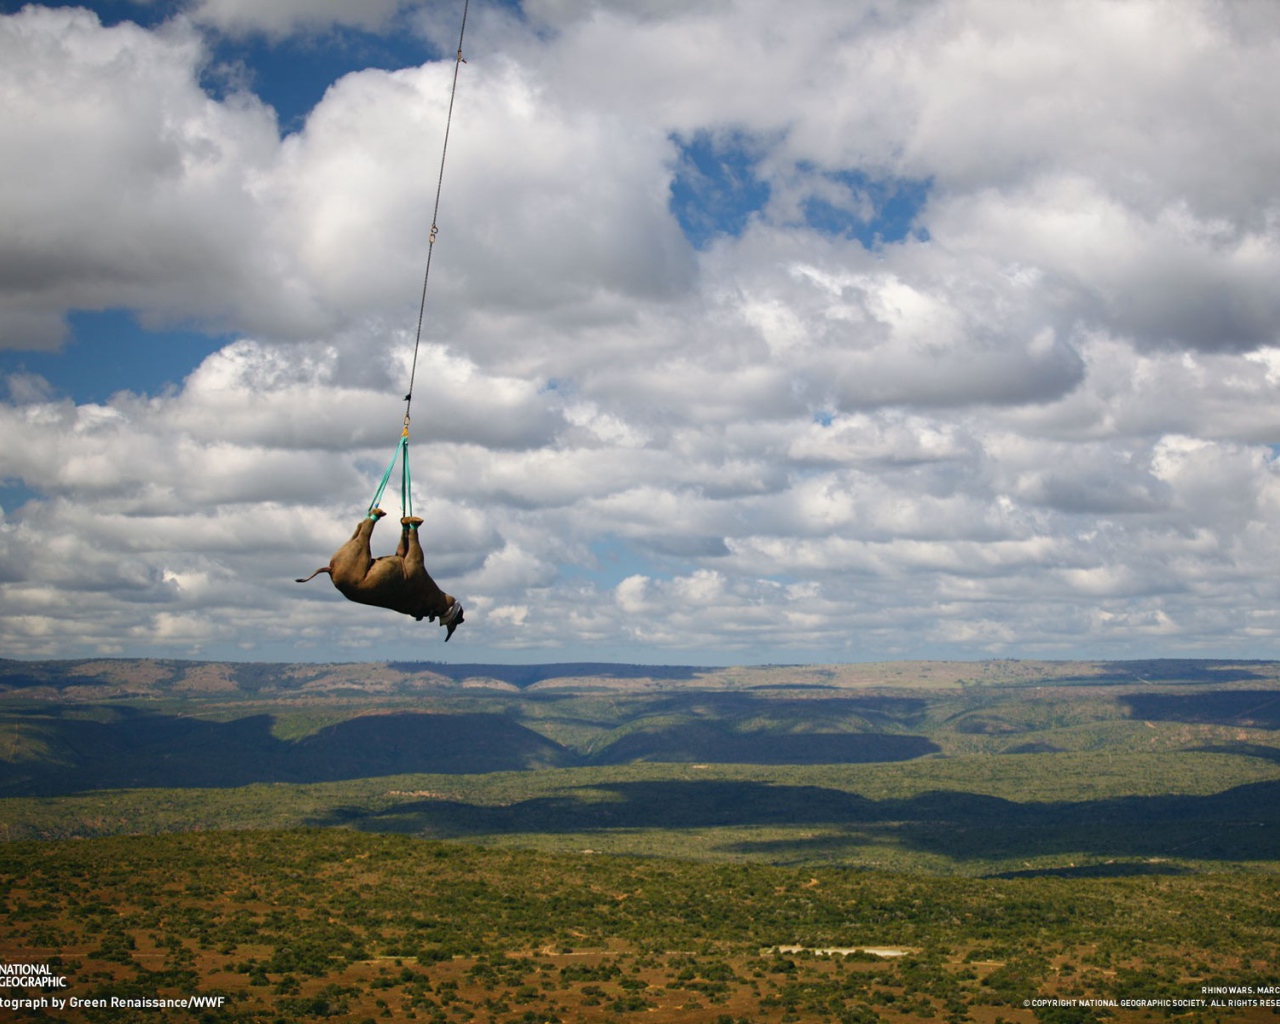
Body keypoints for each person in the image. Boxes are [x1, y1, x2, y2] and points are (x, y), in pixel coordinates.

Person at [296, 508, 464, 639]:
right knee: (365, 545)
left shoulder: (420, 588)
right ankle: (372, 520)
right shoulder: (414, 597)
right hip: (352, 584)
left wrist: (412, 529)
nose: (450, 597)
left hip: (358, 578)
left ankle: (372, 520)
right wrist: (406, 529)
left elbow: (414, 560)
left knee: (363, 542)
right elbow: (403, 556)